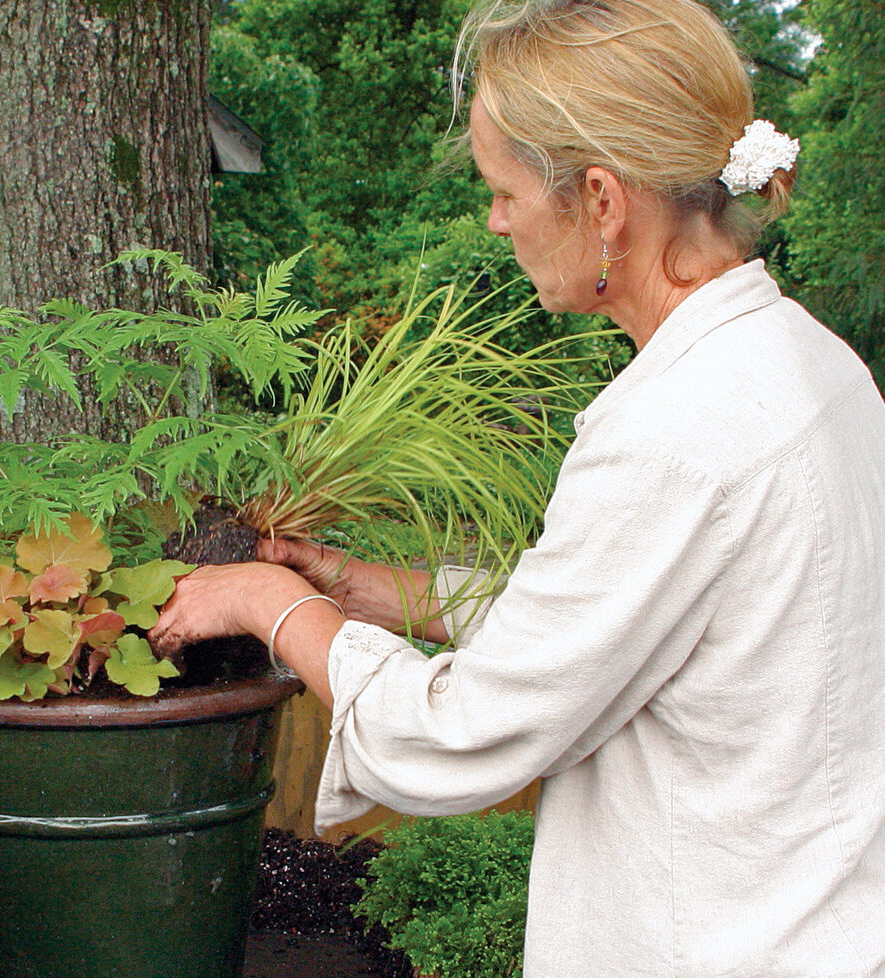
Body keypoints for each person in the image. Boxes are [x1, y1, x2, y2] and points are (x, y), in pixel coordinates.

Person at [149, 0, 885, 973]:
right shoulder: (818, 370)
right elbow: (622, 631)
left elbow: (459, 734)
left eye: (503, 190)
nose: (494, 220)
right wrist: (369, 589)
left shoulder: (674, 435)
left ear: (602, 202)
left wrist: (271, 604)